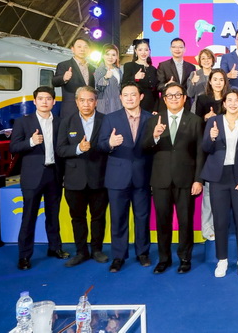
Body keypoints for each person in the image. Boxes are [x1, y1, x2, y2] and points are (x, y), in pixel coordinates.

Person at [142, 82, 204, 274]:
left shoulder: (195, 120)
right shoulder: (154, 120)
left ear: (184, 98)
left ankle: (185, 258)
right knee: (163, 221)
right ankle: (164, 259)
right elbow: (144, 147)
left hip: (186, 179)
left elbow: (200, 153)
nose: (174, 98)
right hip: (161, 179)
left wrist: (198, 179)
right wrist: (154, 136)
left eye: (178, 95)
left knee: (185, 221)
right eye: (170, 95)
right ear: (164, 99)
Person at [10, 86, 68, 270]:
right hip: (32, 176)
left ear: (54, 101)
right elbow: (13, 147)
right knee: (28, 217)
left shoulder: (60, 122)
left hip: (54, 174)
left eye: (48, 98)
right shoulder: (23, 122)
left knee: (53, 215)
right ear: (34, 101)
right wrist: (31, 142)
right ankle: (24, 256)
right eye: (41, 98)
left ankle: (55, 248)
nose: (44, 101)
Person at [98, 82, 153, 273]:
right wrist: (110, 143)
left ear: (141, 97)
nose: (130, 98)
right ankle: (118, 256)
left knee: (142, 217)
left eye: (133, 95)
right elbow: (101, 145)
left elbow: (154, 147)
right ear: (120, 98)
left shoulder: (151, 118)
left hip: (142, 175)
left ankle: (143, 253)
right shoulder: (110, 118)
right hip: (117, 177)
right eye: (126, 95)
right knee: (118, 218)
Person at [202, 89, 238, 277]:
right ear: (224, 103)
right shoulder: (213, 122)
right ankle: (222, 260)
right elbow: (205, 148)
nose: (233, 104)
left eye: (237, 101)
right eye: (230, 100)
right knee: (220, 221)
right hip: (219, 177)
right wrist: (212, 137)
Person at [56, 86, 109, 267]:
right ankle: (81, 252)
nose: (86, 104)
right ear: (76, 102)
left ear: (96, 102)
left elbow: (109, 147)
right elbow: (60, 149)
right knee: (77, 218)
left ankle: (97, 250)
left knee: (98, 218)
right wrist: (78, 148)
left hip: (99, 178)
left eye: (90, 100)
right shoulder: (66, 121)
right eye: (82, 100)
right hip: (74, 180)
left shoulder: (106, 120)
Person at [194, 68, 229, 242]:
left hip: (227, 149)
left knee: (225, 193)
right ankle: (208, 229)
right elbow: (195, 124)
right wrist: (205, 119)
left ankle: (222, 227)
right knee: (208, 193)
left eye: (221, 79)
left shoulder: (230, 99)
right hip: (209, 150)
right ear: (210, 81)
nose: (218, 82)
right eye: (215, 79)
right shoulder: (202, 99)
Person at [53, 37, 96, 118]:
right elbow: (54, 82)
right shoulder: (64, 65)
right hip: (71, 110)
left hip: (89, 110)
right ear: (72, 49)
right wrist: (64, 78)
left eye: (85, 47)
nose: (82, 49)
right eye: (79, 47)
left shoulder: (92, 68)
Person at [157, 38, 196, 111]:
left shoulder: (191, 67)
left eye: (180, 47)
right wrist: (166, 85)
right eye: (174, 47)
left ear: (184, 49)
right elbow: (159, 86)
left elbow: (191, 89)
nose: (177, 49)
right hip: (168, 104)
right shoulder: (163, 65)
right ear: (170, 49)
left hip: (186, 104)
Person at [122, 39, 158, 113]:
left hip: (151, 106)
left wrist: (156, 108)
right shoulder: (129, 66)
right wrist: (135, 78)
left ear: (149, 51)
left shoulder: (153, 69)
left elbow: (156, 93)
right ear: (136, 51)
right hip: (135, 105)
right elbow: (124, 84)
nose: (143, 52)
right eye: (140, 50)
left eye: (146, 50)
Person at [94, 44, 124, 114]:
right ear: (103, 56)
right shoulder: (99, 70)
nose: (110, 57)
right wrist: (105, 78)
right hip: (105, 104)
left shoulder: (118, 70)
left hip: (118, 103)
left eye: (113, 55)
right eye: (107, 54)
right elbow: (97, 89)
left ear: (116, 57)